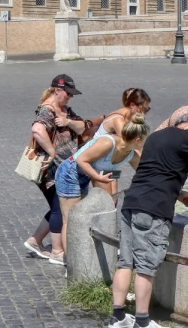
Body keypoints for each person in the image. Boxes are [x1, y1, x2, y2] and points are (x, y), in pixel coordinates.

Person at [107, 111, 188, 328]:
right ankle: (142, 323)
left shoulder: (156, 137)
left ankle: (118, 317)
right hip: (153, 209)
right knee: (146, 266)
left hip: (132, 202)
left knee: (125, 262)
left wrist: (177, 193)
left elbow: (155, 171)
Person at [55, 114, 149, 267]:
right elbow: (81, 159)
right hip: (70, 172)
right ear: (138, 140)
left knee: (94, 213)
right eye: (145, 140)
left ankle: (93, 256)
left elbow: (145, 172)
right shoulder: (108, 143)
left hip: (88, 175)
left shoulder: (130, 154)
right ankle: (71, 265)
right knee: (71, 219)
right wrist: (98, 178)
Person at [25, 75, 92, 264]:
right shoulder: (47, 110)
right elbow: (38, 129)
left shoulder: (64, 110)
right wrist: (52, 152)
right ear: (57, 90)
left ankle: (35, 240)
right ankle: (56, 252)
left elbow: (83, 128)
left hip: (65, 165)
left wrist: (68, 122)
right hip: (52, 168)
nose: (70, 97)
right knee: (58, 209)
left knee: (59, 207)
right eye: (68, 93)